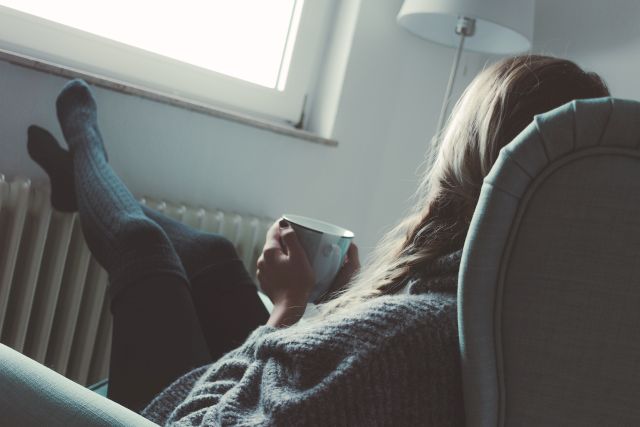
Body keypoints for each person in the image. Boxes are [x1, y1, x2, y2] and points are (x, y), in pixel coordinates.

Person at [26, 54, 609, 426]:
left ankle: (87, 156)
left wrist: (286, 312)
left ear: (468, 159)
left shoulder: (402, 335)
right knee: (215, 256)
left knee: (140, 245)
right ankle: (83, 187)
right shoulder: (543, 326)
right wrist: (343, 306)